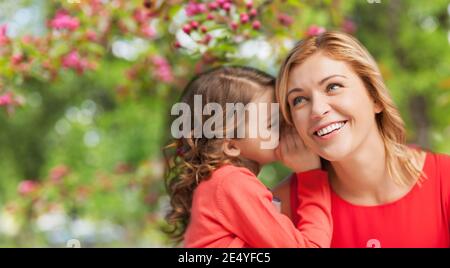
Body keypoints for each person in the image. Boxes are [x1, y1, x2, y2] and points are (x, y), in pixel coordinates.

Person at [273, 31, 450, 247]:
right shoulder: (281, 205)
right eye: (299, 100)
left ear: (374, 97)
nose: (317, 110)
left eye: (333, 87)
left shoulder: (445, 181)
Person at [164, 66, 333, 248]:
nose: (286, 128)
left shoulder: (217, 183)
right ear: (230, 145)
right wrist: (311, 175)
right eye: (271, 124)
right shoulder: (232, 182)